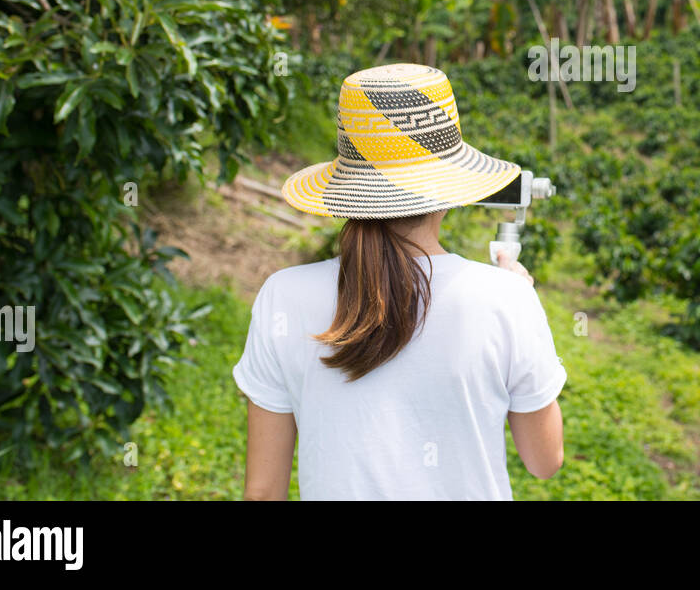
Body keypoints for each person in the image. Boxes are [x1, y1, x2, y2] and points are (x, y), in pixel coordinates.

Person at [233, 63, 566, 500]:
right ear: (451, 189)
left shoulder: (283, 295)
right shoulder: (505, 298)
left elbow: (262, 491)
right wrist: (519, 298)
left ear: (347, 189)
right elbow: (544, 461)